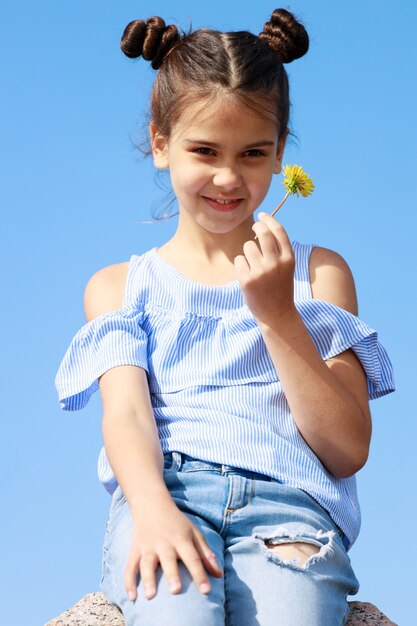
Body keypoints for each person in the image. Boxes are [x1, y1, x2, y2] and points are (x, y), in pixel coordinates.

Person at [55, 8, 395, 626]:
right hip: (169, 495)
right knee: (176, 612)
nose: (227, 177)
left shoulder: (319, 274)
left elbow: (346, 447)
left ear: (280, 153)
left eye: (254, 153)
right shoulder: (120, 286)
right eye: (204, 149)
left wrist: (277, 314)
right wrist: (154, 510)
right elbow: (127, 415)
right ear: (161, 143)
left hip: (292, 509)